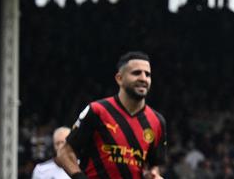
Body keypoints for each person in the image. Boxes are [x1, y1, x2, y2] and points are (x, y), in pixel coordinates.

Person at [56, 51, 168, 179]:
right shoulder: (97, 110)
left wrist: (153, 174)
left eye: (147, 74)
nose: (143, 78)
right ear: (119, 79)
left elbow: (153, 165)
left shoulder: (157, 121)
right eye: (136, 73)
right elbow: (65, 152)